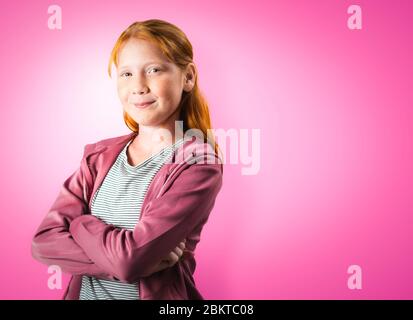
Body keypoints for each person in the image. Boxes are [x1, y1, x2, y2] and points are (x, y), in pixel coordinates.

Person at [31, 19, 223, 300]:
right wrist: (120, 263)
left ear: (188, 77)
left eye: (154, 70)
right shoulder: (97, 156)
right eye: (127, 74)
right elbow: (44, 242)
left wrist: (79, 224)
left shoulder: (197, 164)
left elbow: (130, 260)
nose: (138, 86)